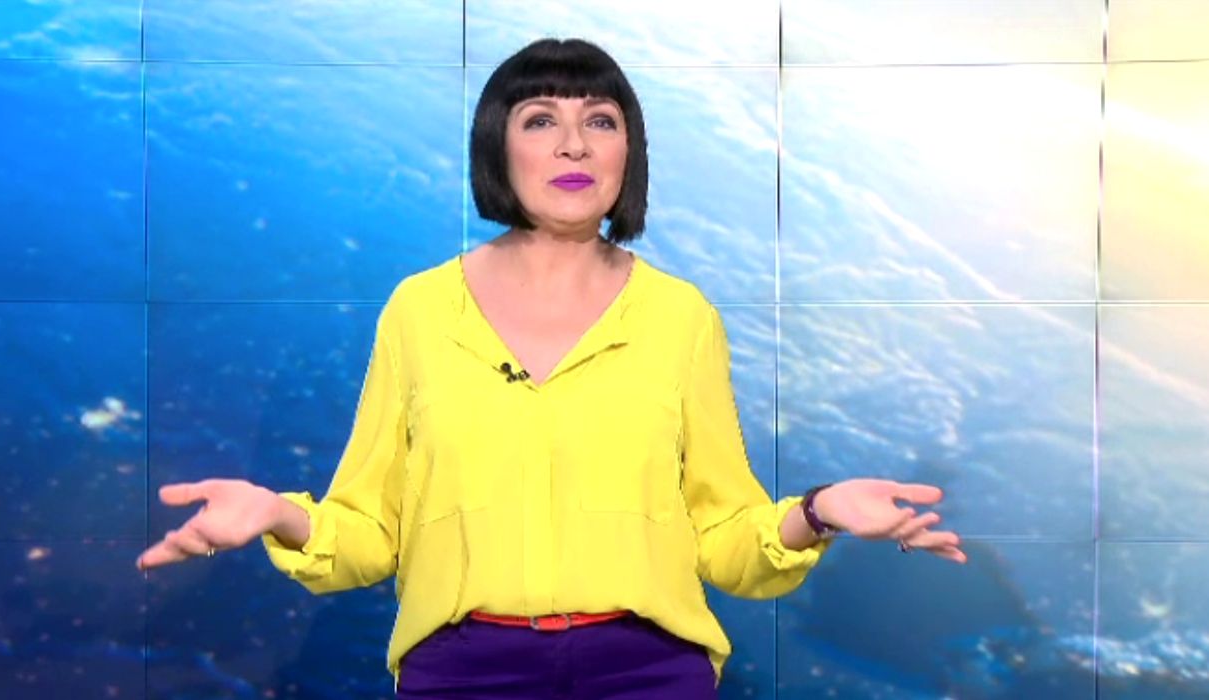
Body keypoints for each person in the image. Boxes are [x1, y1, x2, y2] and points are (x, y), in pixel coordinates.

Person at [137, 37, 967, 699]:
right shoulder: (419, 311)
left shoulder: (681, 317)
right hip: (462, 673)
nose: (574, 142)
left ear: (629, 151)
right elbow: (370, 536)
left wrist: (818, 511)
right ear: (497, 147)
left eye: (600, 120)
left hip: (649, 673)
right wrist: (278, 515)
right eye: (539, 119)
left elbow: (725, 544)